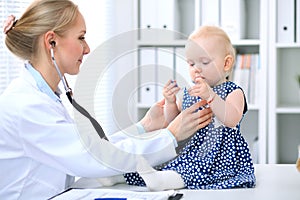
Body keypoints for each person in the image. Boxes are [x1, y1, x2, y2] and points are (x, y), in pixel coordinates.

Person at [0, 1, 213, 199]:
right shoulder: (26, 106)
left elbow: (91, 149)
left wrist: (144, 127)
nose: (87, 48)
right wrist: (171, 135)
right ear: (51, 41)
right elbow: (95, 158)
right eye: (81, 37)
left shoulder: (42, 96)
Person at [124, 25, 256, 190]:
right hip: (189, 148)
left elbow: (231, 119)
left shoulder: (233, 91)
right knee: (159, 160)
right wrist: (170, 102)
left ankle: (163, 182)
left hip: (218, 155)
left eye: (205, 62)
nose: (197, 69)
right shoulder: (189, 92)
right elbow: (173, 122)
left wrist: (211, 96)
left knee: (190, 169)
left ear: (226, 63)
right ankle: (113, 176)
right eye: (191, 63)